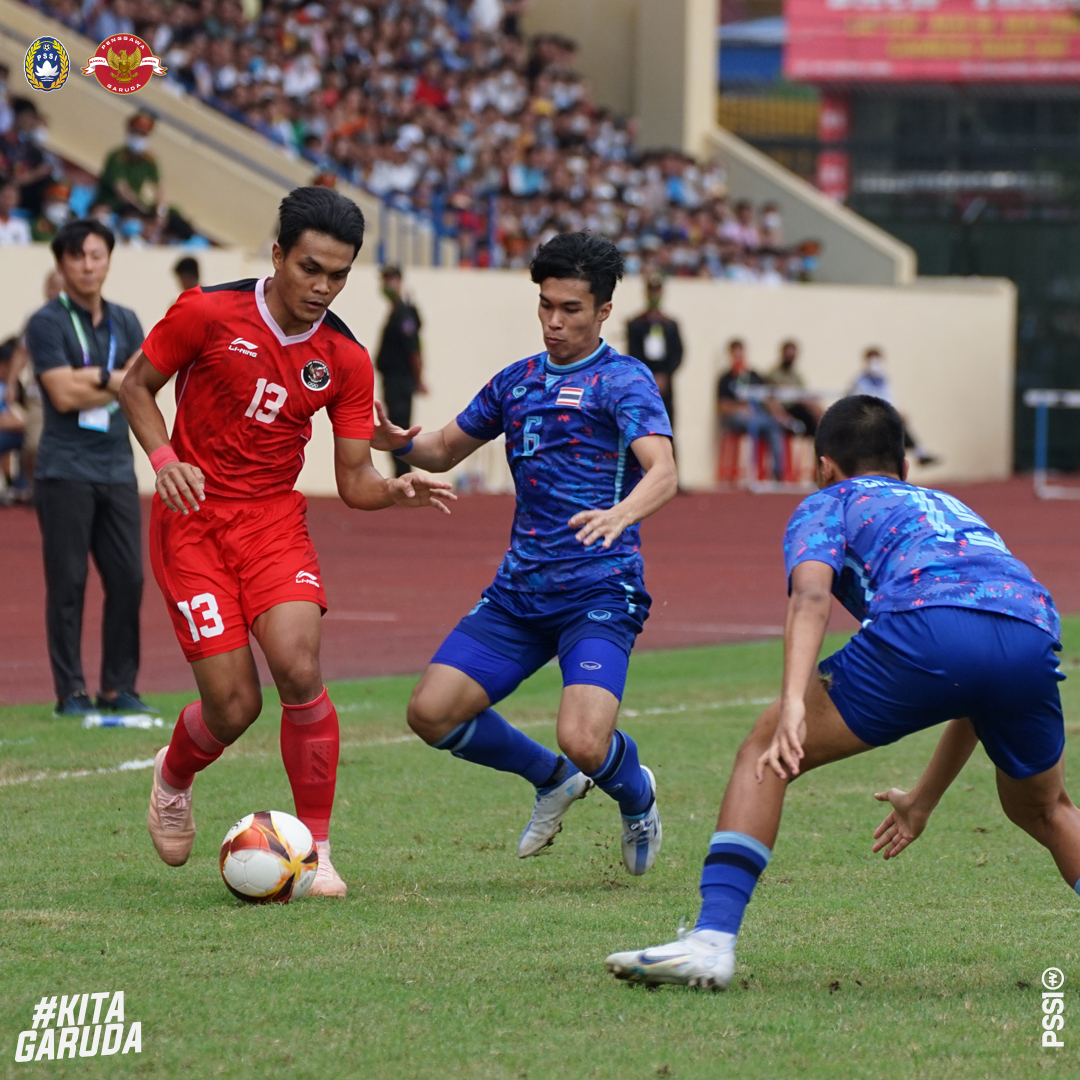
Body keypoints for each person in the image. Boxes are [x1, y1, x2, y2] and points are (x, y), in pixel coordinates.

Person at [605, 395, 1076, 988]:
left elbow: (810, 596)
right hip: (1031, 630)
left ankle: (711, 942)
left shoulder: (829, 501)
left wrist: (793, 702)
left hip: (924, 627)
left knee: (765, 751)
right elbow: (977, 683)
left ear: (823, 466)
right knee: (1044, 808)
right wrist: (922, 800)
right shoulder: (952, 507)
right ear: (905, 467)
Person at [118, 186, 454, 897]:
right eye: (310, 269)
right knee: (234, 707)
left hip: (273, 524)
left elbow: (355, 480)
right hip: (193, 525)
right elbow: (136, 386)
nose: (323, 287)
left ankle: (318, 852)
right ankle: (172, 778)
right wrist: (165, 459)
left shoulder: (346, 358)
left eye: (339, 275)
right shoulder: (206, 313)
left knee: (299, 669)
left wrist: (395, 489)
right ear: (277, 256)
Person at [380, 232, 678, 876]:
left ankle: (637, 796)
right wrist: (392, 439)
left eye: (571, 308)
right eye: (546, 305)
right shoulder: (516, 382)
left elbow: (663, 471)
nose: (553, 321)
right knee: (430, 713)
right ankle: (552, 777)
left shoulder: (623, 381)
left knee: (586, 738)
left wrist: (621, 513)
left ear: (603, 310)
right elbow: (441, 449)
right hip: (520, 593)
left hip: (600, 590)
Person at [25, 220, 149, 716]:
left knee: (129, 579)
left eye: (96, 255)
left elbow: (144, 384)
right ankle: (71, 691)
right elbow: (61, 393)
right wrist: (114, 378)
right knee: (68, 582)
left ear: (109, 260)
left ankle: (118, 687)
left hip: (117, 467)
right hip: (65, 469)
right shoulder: (46, 322)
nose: (87, 265)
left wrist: (92, 379)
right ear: (61, 264)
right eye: (76, 257)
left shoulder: (128, 320)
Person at [374, 265, 426, 478]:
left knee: (399, 431)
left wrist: (418, 379)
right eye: (385, 279)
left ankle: (404, 478)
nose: (387, 284)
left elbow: (413, 350)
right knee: (394, 431)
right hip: (392, 381)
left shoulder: (403, 313)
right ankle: (401, 476)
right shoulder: (395, 311)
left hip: (400, 382)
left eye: (391, 279)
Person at [849, 347, 939, 467]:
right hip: (868, 416)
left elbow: (888, 399)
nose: (875, 365)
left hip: (882, 414)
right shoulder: (861, 381)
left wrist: (895, 411)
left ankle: (919, 453)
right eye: (872, 361)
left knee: (899, 426)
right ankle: (919, 453)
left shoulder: (883, 380)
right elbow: (861, 400)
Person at [717, 339, 786, 482]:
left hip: (757, 417)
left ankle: (777, 472)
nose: (739, 358)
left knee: (774, 427)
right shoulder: (725, 378)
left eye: (741, 355)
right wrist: (739, 408)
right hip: (735, 419)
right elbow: (722, 406)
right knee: (750, 421)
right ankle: (750, 474)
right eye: (735, 355)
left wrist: (777, 414)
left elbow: (766, 396)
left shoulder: (754, 376)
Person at [625, 272, 682, 430]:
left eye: (657, 291)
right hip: (644, 382)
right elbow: (633, 352)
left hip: (666, 384)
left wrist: (665, 375)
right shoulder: (636, 324)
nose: (654, 295)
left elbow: (677, 353)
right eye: (651, 291)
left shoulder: (670, 324)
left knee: (667, 423)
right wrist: (649, 376)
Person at [95, 112, 165, 220]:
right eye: (136, 132)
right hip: (111, 204)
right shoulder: (117, 157)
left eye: (143, 134)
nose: (138, 137)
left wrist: (160, 211)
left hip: (133, 209)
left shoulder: (149, 160)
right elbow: (121, 189)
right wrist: (141, 208)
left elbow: (159, 187)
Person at [766, 339, 821, 437]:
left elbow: (803, 392)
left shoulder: (795, 375)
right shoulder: (773, 374)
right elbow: (769, 396)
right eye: (788, 354)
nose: (790, 357)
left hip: (797, 407)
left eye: (792, 354)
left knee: (812, 412)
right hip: (784, 409)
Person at [0, 175, 31, 245]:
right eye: (5, 197)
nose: (8, 201)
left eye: (11, 197)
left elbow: (26, 247)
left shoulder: (22, 225)